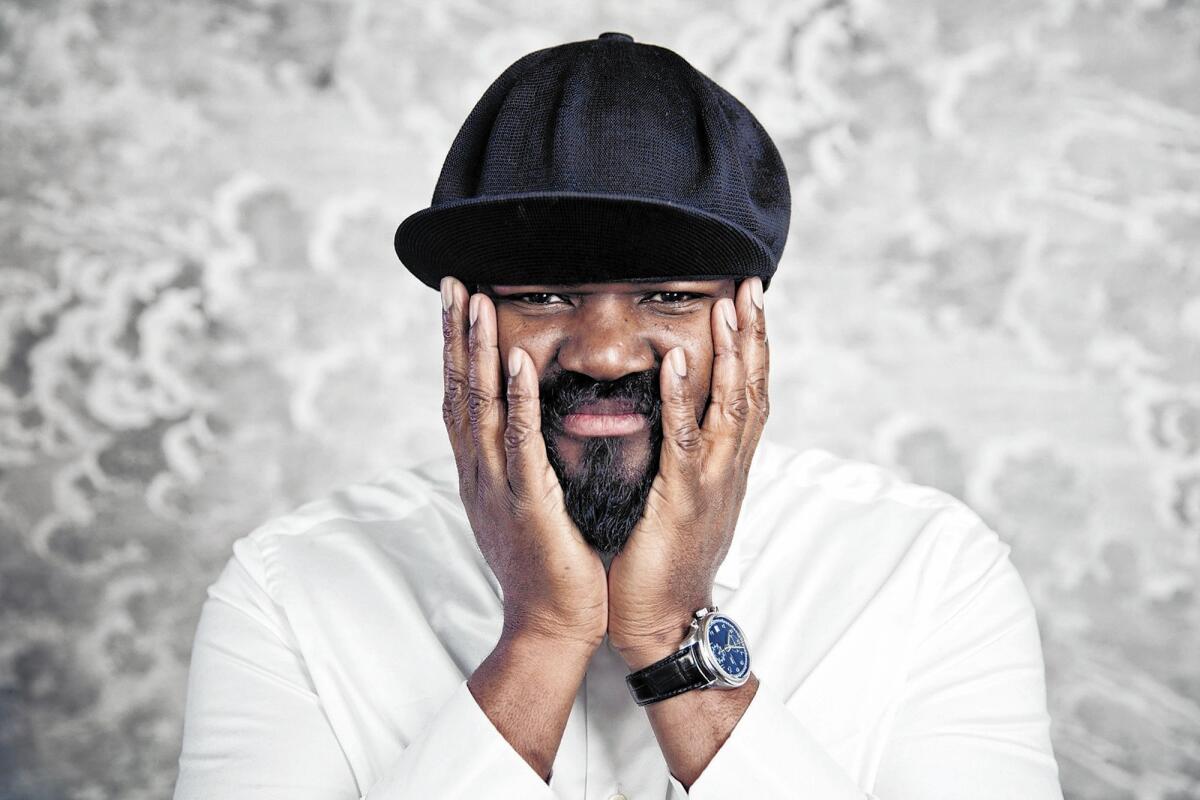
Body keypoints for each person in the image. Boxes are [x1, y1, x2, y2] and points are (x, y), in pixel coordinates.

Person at [173, 32, 1064, 799]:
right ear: (461, 325)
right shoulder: (293, 589)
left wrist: (672, 636)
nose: (604, 353)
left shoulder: (927, 573)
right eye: (543, 293)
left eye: (669, 294)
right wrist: (544, 633)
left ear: (746, 329)